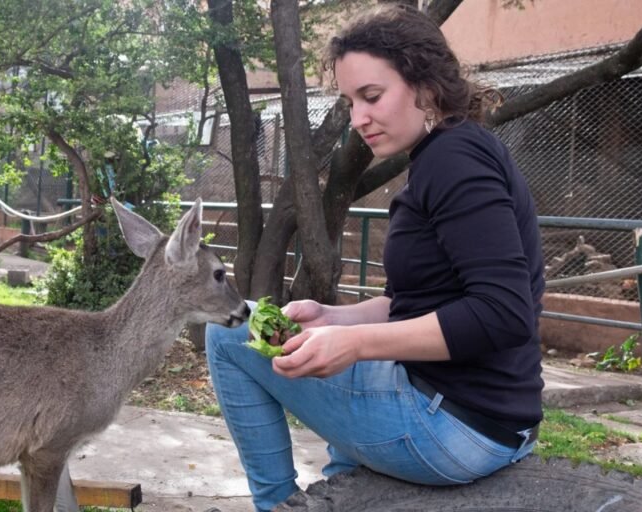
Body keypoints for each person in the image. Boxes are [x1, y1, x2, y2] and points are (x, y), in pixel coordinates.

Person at [204, 4, 546, 511]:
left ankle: (276, 504)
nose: (358, 118)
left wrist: (356, 344)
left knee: (229, 334)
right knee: (262, 330)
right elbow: (418, 302)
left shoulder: (455, 161)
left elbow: (503, 313)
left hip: (459, 425)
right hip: (472, 414)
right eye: (349, 101)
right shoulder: (447, 154)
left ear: (425, 87)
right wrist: (333, 317)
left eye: (372, 96)